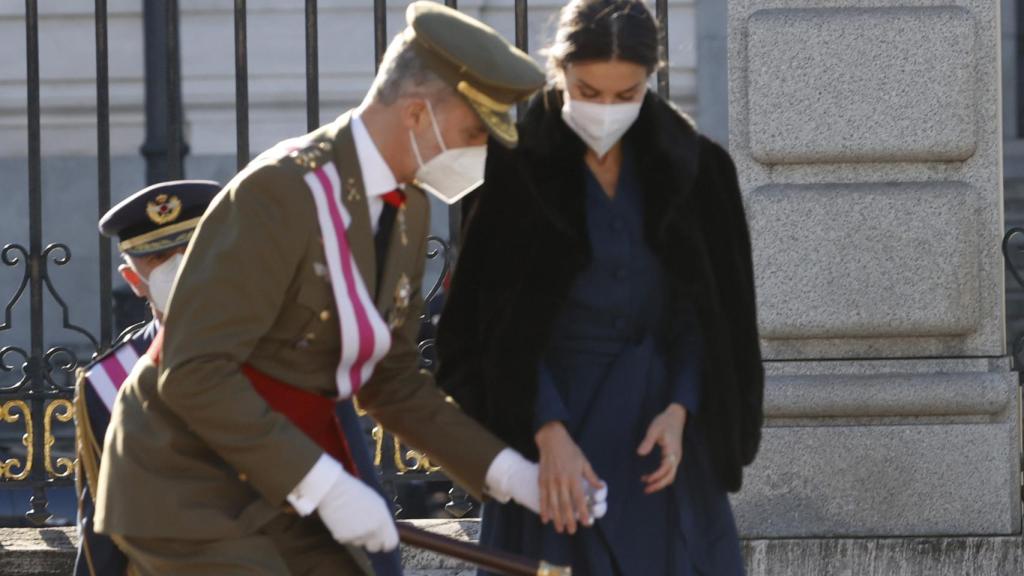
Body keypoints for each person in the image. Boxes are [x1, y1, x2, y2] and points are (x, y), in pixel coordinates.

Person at [92, 4, 585, 575]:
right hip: (187, 476)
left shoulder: (409, 209)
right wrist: (324, 486)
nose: (480, 153)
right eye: (474, 133)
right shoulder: (281, 191)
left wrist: (508, 474)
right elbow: (195, 373)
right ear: (418, 114)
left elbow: (392, 381)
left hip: (282, 469)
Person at [436, 1, 765, 574]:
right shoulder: (514, 166)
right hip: (548, 431)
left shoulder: (696, 168)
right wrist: (546, 429)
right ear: (559, 73)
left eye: (626, 95)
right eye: (588, 91)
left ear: (650, 81)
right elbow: (489, 322)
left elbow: (709, 312)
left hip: (659, 437)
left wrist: (684, 407)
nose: (606, 110)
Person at [75, 180, 220, 576]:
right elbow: (105, 530)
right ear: (134, 280)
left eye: (190, 250)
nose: (178, 267)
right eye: (158, 259)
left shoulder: (277, 349)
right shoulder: (108, 383)